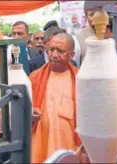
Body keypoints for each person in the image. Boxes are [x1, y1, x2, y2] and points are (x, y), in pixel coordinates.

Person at [30, 33, 81, 163]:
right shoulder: (35, 77)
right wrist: (30, 114)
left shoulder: (80, 79)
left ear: (72, 55)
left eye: (60, 51)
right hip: (41, 144)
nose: (54, 55)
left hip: (70, 145)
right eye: (51, 50)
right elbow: (23, 111)